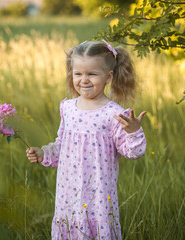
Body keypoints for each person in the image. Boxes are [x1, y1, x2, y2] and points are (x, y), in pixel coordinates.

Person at [26, 40, 147, 240]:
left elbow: (133, 152)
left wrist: (133, 131)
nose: (84, 80)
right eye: (78, 73)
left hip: (98, 196)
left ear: (108, 77)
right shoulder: (68, 108)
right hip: (68, 193)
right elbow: (62, 144)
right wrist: (44, 153)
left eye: (92, 74)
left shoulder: (114, 114)